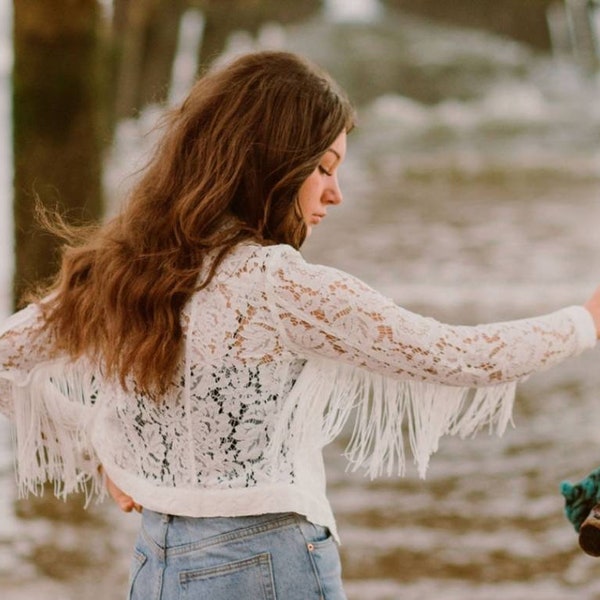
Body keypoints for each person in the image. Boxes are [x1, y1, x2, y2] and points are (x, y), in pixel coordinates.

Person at [1, 50, 599, 600]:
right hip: (267, 562)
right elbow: (457, 355)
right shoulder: (277, 284)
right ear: (273, 165)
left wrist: (103, 449)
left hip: (155, 566)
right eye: (324, 167)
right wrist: (587, 321)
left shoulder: (124, 272)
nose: (335, 193)